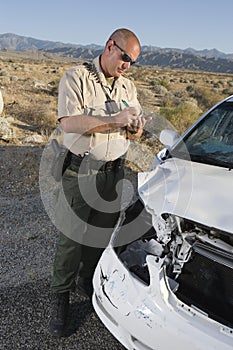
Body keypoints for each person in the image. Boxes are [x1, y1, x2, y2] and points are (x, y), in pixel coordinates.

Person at [49, 28, 151, 337]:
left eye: (132, 61)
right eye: (124, 58)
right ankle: (61, 296)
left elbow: (133, 132)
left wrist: (134, 128)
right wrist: (116, 120)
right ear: (110, 46)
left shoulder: (128, 87)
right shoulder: (76, 78)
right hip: (82, 172)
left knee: (100, 233)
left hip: (114, 174)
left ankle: (88, 280)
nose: (127, 66)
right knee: (71, 239)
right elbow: (70, 123)